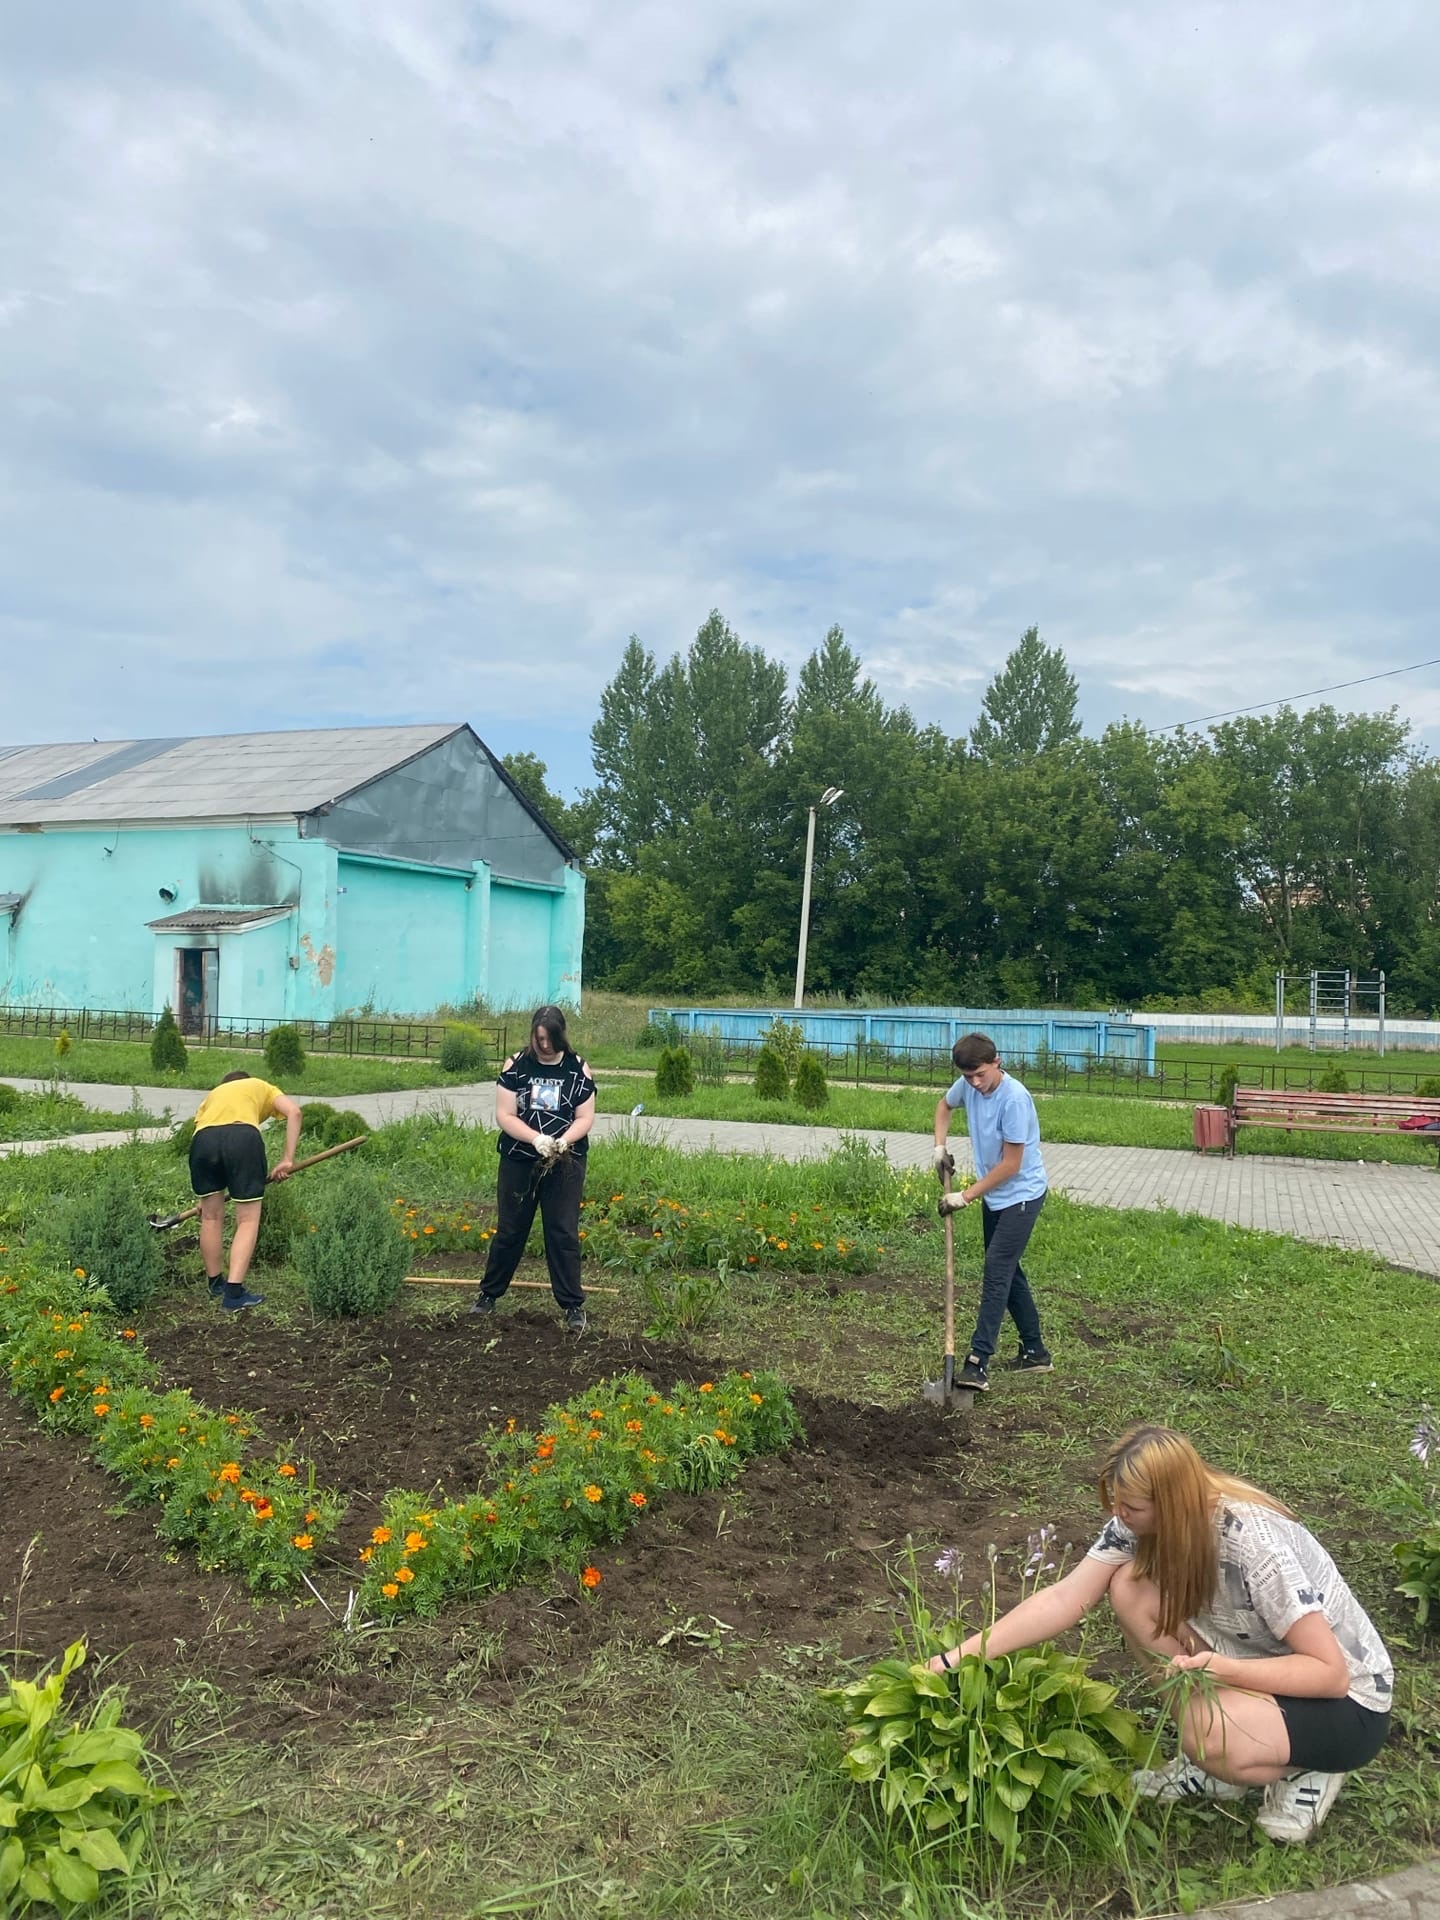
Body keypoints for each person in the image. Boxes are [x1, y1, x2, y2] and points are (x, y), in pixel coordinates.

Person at [927, 1425, 1393, 1845]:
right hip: (1262, 1670)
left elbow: (1329, 1673)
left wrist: (1224, 1669)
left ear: (1171, 1503)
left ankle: (1310, 1769)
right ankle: (1220, 1769)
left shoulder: (1253, 1542)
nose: (1118, 1515)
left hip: (1346, 1704)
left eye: (1131, 1507)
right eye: (1115, 1502)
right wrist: (958, 1658)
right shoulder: (1140, 1525)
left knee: (1210, 1734)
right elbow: (1066, 1598)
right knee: (1129, 1585)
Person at [932, 1031, 1051, 1390]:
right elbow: (943, 1106)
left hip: (1023, 1196)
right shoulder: (968, 1085)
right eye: (968, 1077)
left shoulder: (1014, 1099)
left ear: (997, 1063)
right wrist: (939, 1147)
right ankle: (1036, 1353)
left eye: (981, 1074)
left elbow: (1011, 1165)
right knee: (1008, 1271)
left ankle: (977, 1361)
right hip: (996, 1197)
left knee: (997, 1271)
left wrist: (964, 1196)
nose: (975, 1083)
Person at [470, 1005, 595, 1330]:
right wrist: (535, 1139)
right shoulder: (516, 1065)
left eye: (549, 1039)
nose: (543, 1045)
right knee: (511, 1229)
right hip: (519, 1159)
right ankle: (488, 1296)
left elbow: (585, 1117)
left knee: (562, 1231)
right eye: (538, 1038)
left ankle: (572, 1306)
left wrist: (565, 1141)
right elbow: (505, 1114)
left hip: (564, 1163)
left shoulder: (578, 1068)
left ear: (560, 1036)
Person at [188, 1067, 302, 1311]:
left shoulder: (213, 1095)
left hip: (202, 1141)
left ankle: (215, 1283)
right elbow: (294, 1112)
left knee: (210, 1217)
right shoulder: (261, 1086)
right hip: (242, 1138)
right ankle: (234, 1295)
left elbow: (204, 1134)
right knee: (248, 1220)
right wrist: (287, 1159)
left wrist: (204, 1198)